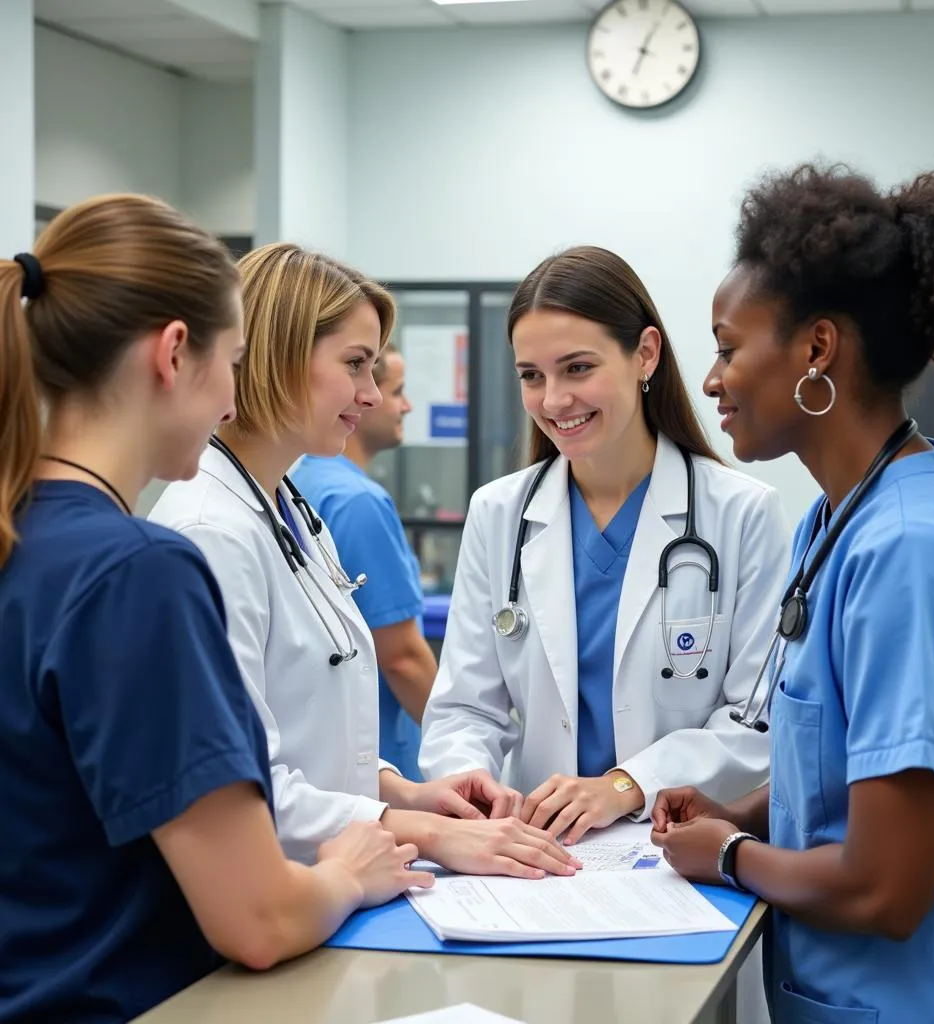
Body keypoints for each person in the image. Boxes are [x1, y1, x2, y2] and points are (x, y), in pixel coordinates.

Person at [0, 198, 432, 1024]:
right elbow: (259, 920)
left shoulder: (26, 538)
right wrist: (351, 870)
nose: (234, 397)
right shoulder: (138, 572)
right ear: (172, 355)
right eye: (233, 362)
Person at [651, 164, 934, 1023]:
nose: (711, 381)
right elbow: (845, 770)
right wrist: (738, 808)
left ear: (817, 350)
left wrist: (731, 853)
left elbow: (887, 888)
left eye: (727, 346)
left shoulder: (914, 551)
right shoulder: (836, 523)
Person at [149, 241, 579, 879]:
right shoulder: (212, 532)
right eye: (356, 364)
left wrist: (402, 792)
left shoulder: (289, 508)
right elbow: (242, 785)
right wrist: (424, 831)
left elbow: (305, 729)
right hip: (266, 898)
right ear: (279, 354)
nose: (372, 394)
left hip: (325, 882)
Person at [418, 245, 792, 845]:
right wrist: (471, 782)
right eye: (531, 376)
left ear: (644, 354)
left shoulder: (740, 513)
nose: (554, 400)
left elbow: (757, 720)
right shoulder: (499, 514)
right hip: (533, 846)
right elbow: (466, 706)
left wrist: (624, 785)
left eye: (578, 368)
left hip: (673, 845)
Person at [293, 345, 433, 782]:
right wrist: (467, 741)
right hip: (379, 763)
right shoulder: (357, 502)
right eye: (399, 391)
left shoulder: (296, 481)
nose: (403, 405)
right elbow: (403, 659)